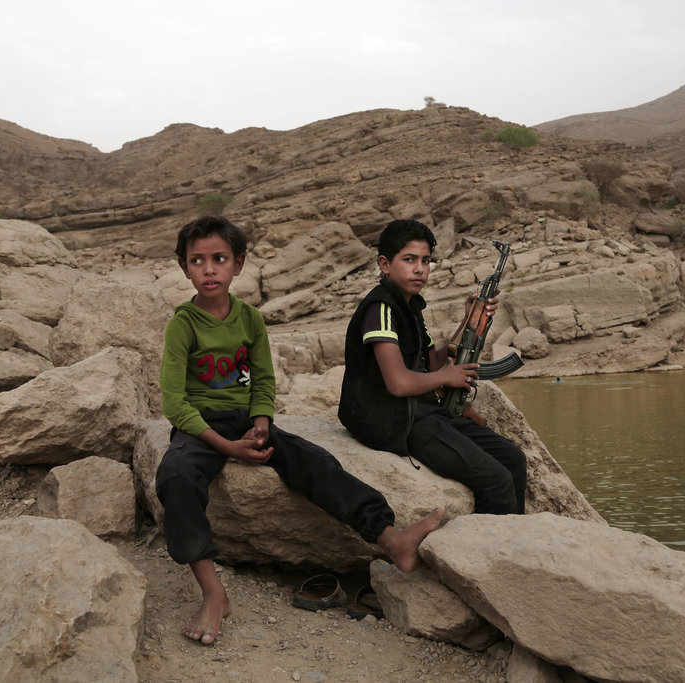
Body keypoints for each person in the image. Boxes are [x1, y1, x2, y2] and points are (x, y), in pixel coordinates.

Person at [155, 215, 444, 645]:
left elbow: (263, 381)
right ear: (184, 268)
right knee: (175, 476)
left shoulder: (250, 318)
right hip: (201, 428)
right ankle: (213, 592)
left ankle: (390, 537)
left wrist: (259, 425)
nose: (209, 269)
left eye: (220, 259)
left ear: (239, 264)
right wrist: (227, 448)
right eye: (198, 261)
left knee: (315, 461)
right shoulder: (184, 324)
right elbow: (174, 403)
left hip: (247, 422)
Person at [339, 219, 527, 515]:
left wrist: (470, 319)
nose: (420, 269)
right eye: (410, 260)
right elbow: (398, 383)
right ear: (385, 264)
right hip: (393, 420)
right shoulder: (381, 309)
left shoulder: (410, 307)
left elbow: (433, 362)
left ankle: (516, 541)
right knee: (496, 481)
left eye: (426, 261)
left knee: (513, 458)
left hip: (420, 410)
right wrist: (445, 377)